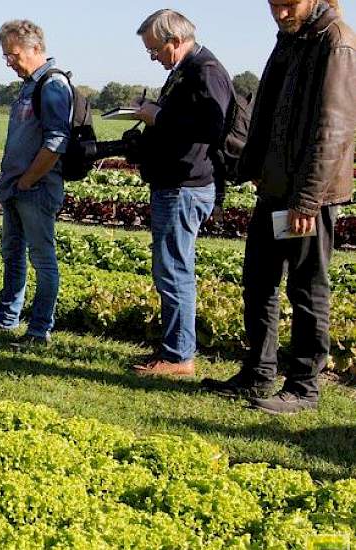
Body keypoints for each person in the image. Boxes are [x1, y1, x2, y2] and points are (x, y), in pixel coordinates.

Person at [203, 0, 356, 414]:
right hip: (274, 188)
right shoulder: (292, 39)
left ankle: (304, 386)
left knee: (306, 289)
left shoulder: (336, 42)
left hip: (309, 195)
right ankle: (257, 373)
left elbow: (334, 127)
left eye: (289, 5)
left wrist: (308, 197)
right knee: (259, 281)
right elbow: (268, 110)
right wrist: (253, 166)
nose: (280, 13)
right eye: (274, 4)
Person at [128, 10, 232, 378]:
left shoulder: (205, 71)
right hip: (173, 184)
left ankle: (178, 357)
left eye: (155, 49)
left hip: (185, 187)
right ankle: (174, 347)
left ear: (175, 40)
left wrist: (158, 117)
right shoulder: (185, 71)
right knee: (171, 269)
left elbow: (212, 125)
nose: (154, 56)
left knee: (173, 271)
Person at [0, 20, 72, 348]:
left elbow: (56, 141)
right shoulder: (28, 84)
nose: (9, 61)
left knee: (42, 258)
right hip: (17, 187)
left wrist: (28, 180)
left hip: (36, 188)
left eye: (14, 54)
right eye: (6, 55)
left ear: (36, 48)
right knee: (12, 253)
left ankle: (39, 330)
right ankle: (7, 319)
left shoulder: (52, 84)